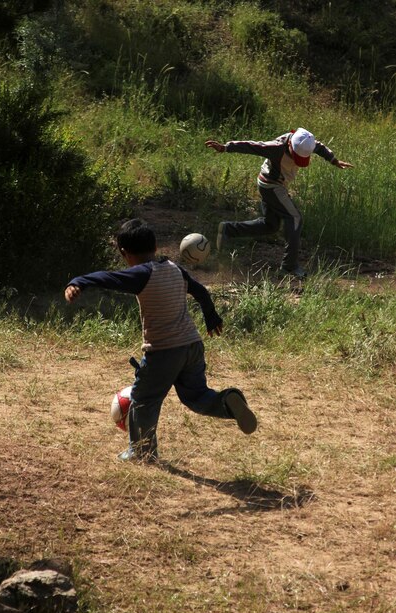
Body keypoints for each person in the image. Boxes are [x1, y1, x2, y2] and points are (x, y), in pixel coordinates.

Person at [64, 218, 257, 463]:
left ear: (124, 253)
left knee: (144, 399)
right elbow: (201, 291)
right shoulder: (175, 269)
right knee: (196, 396)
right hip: (192, 345)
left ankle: (141, 452)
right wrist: (211, 317)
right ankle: (228, 403)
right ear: (156, 247)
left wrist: (78, 282)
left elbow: (108, 277)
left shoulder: (140, 275)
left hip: (164, 351)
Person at [206, 128, 353, 278]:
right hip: (271, 185)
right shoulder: (276, 148)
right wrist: (226, 147)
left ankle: (228, 230)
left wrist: (333, 160)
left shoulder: (305, 141)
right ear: (291, 146)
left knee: (270, 225)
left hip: (273, 185)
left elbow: (319, 146)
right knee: (295, 218)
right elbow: (252, 146)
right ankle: (289, 267)